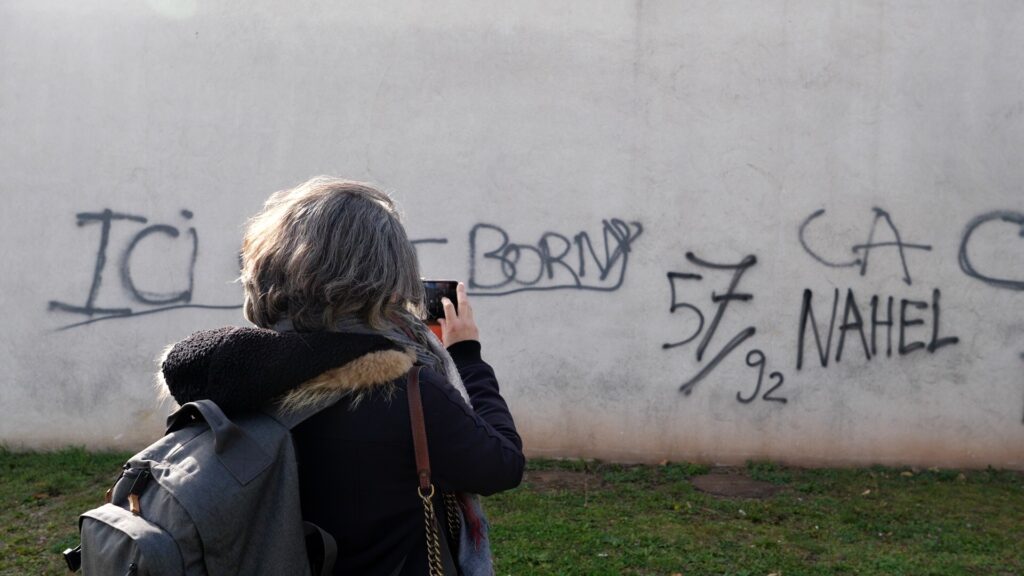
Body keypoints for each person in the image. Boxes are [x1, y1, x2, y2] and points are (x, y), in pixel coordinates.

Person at [158, 176, 525, 575]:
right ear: (386, 279)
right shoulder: (411, 396)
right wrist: (466, 355)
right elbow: (502, 464)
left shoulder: (228, 377)